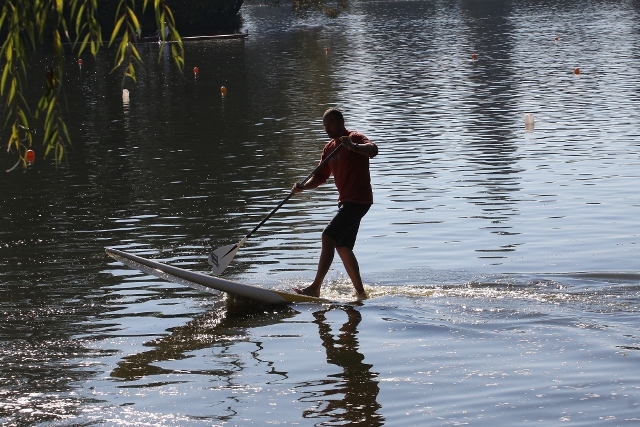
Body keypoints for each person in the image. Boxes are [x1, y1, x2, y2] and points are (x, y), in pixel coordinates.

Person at [292, 108, 378, 297]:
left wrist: (353, 147)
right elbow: (319, 177)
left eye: (330, 125)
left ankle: (315, 288)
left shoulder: (355, 137)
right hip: (346, 202)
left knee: (328, 236)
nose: (327, 129)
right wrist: (303, 187)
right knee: (342, 246)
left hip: (359, 200)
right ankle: (361, 293)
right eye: (325, 126)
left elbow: (373, 150)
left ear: (341, 123)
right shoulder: (329, 148)